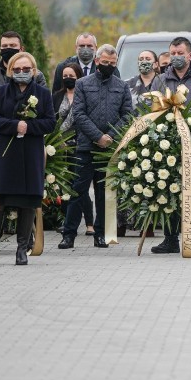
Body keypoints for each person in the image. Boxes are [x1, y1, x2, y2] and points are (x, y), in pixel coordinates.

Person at [0, 52, 56, 265]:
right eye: (17, 69)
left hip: (30, 153)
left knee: (27, 202)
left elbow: (50, 122)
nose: (21, 73)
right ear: (10, 70)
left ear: (33, 71)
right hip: (7, 153)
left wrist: (29, 127)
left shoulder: (43, 93)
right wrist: (15, 125)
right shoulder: (1, 92)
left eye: (26, 69)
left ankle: (22, 249)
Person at [59, 45, 133, 250]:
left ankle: (100, 234)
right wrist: (97, 136)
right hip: (85, 146)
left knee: (103, 192)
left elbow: (128, 114)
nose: (108, 65)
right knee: (78, 191)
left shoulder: (122, 86)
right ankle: (69, 234)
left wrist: (110, 136)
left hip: (110, 148)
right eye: (105, 62)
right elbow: (79, 114)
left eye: (112, 63)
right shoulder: (82, 84)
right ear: (98, 61)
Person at [149, 36, 191, 254]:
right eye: (173, 53)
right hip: (167, 142)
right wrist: (168, 117)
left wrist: (183, 114)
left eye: (180, 53)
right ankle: (170, 239)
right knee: (168, 187)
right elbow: (152, 106)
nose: (176, 57)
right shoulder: (160, 80)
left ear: (190, 55)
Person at [53, 63, 96, 237]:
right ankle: (67, 221)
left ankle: (90, 223)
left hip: (80, 145)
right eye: (64, 76)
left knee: (80, 186)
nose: (68, 78)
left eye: (71, 75)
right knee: (66, 186)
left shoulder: (84, 95)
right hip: (61, 146)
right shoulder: (57, 96)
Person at [0, 31, 48, 110]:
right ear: (0, 50)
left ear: (21, 49)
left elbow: (43, 102)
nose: (8, 48)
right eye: (4, 46)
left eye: (12, 45)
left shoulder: (36, 75)